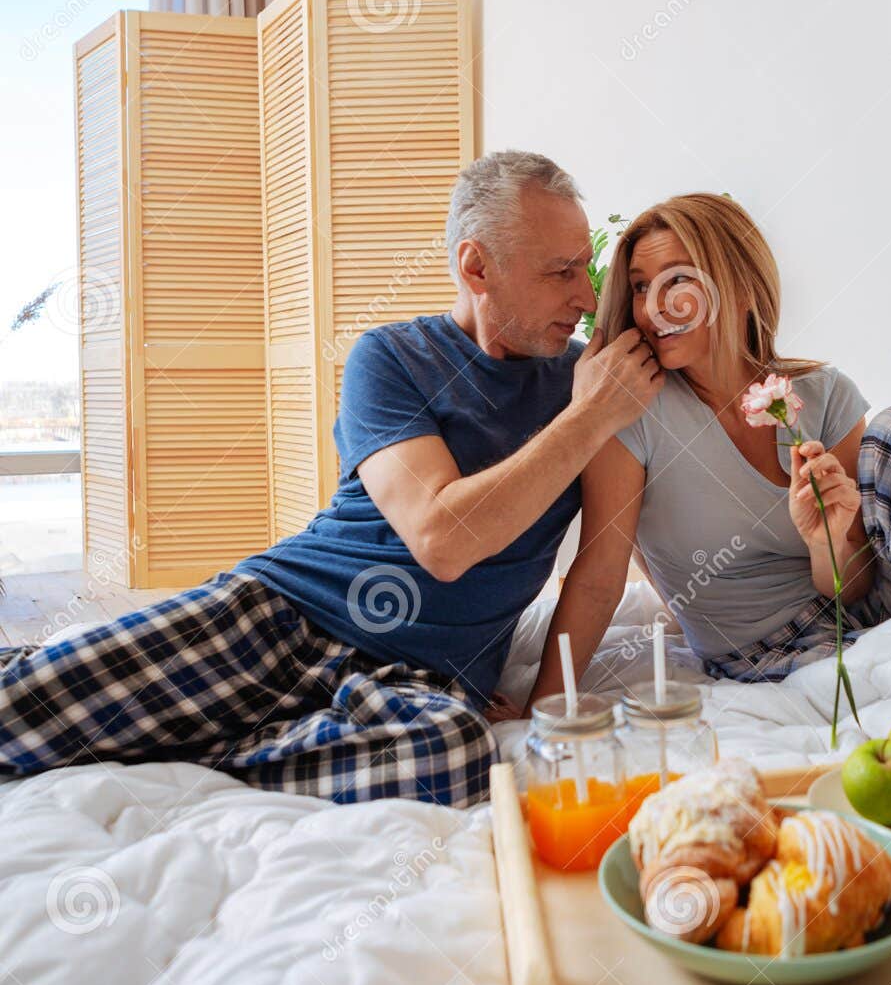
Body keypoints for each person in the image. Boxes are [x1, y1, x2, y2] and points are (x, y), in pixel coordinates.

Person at [0, 151, 662, 806]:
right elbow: (441, 540)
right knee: (19, 716)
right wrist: (588, 416)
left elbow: (600, 573)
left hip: (424, 678)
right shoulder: (393, 357)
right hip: (287, 617)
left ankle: (192, 761)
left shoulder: (593, 387)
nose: (586, 296)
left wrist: (545, 707)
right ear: (476, 265)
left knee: (457, 757)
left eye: (584, 268)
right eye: (561, 271)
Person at [524, 192, 891, 707]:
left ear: (739, 286)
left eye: (677, 278)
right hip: (769, 651)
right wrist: (538, 707)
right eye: (639, 287)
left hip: (871, 614)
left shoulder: (823, 393)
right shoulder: (632, 412)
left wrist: (825, 540)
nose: (654, 307)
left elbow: (849, 589)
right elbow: (598, 581)